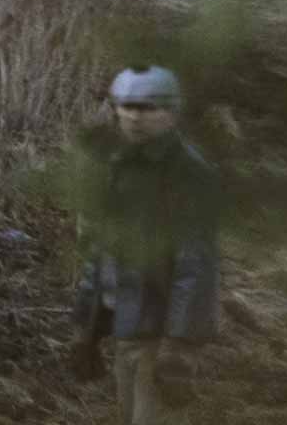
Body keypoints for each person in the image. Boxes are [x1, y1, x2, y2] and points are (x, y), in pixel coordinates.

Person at [69, 65, 219, 425]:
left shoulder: (189, 174)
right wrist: (86, 328)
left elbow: (194, 265)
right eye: (127, 106)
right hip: (126, 319)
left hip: (161, 326)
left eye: (149, 108)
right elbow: (100, 251)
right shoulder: (116, 164)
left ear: (170, 112)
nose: (135, 117)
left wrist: (180, 344)